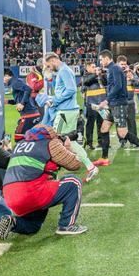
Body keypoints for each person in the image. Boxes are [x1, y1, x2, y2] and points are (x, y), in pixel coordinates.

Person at [0, 125, 88, 239]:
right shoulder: (50, 143)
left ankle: (12, 222)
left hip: (10, 194)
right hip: (31, 191)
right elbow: (75, 164)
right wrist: (68, 148)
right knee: (74, 182)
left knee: (33, 226)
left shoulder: (19, 145)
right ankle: (66, 226)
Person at [40, 53, 98, 182]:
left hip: (66, 111)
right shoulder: (63, 71)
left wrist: (54, 100)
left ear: (54, 60)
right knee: (68, 141)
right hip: (68, 110)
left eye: (48, 65)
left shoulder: (64, 71)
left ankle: (52, 172)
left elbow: (71, 90)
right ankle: (90, 166)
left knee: (55, 140)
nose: (49, 67)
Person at [96, 49, 139, 167]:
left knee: (122, 133)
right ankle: (104, 158)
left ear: (107, 58)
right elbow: (113, 86)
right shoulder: (112, 69)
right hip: (114, 104)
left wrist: (106, 100)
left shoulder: (114, 69)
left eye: (101, 59)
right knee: (104, 128)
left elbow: (118, 86)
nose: (100, 62)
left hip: (118, 104)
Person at [4, 69, 40, 140]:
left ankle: (10, 148)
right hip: (33, 114)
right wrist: (8, 101)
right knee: (31, 137)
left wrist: (22, 103)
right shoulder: (16, 82)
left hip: (28, 116)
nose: (3, 80)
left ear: (7, 76)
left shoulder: (15, 82)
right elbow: (20, 98)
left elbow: (28, 89)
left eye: (3, 77)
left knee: (18, 137)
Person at [80, 62, 106, 149]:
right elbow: (87, 82)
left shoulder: (99, 76)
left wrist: (102, 74)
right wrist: (95, 74)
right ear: (87, 68)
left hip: (101, 104)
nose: (95, 68)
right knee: (90, 124)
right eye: (93, 67)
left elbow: (106, 82)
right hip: (91, 104)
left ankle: (101, 142)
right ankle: (89, 142)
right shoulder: (85, 77)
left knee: (101, 123)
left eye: (95, 66)